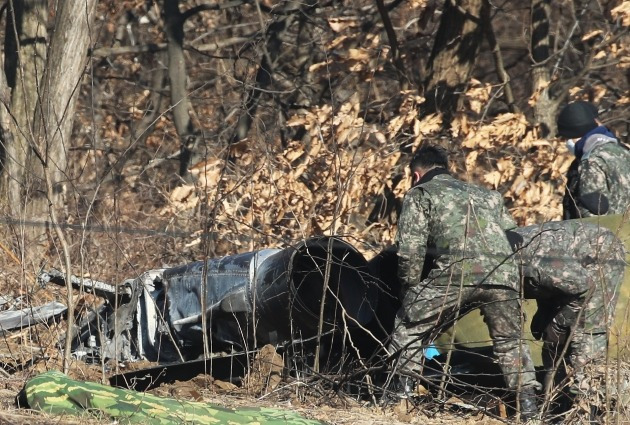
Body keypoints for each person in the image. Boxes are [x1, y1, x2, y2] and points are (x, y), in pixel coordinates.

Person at [390, 144, 540, 420]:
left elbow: (411, 251)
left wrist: (409, 290)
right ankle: (529, 408)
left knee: (408, 327)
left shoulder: (421, 193)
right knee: (511, 342)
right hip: (503, 273)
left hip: (455, 273)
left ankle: (402, 400)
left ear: (415, 174)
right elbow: (514, 238)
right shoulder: (488, 195)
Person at [507, 221, 625, 398]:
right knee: (552, 344)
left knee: (585, 336)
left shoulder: (532, 258)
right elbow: (548, 285)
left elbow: (584, 286)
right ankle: (554, 403)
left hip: (598, 256)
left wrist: (559, 322)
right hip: (565, 272)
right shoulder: (492, 259)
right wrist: (545, 316)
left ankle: (584, 408)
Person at [556, 101, 630, 219]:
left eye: (567, 138)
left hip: (611, 235)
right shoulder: (623, 151)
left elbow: (592, 219)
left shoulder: (591, 162)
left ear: (575, 135)